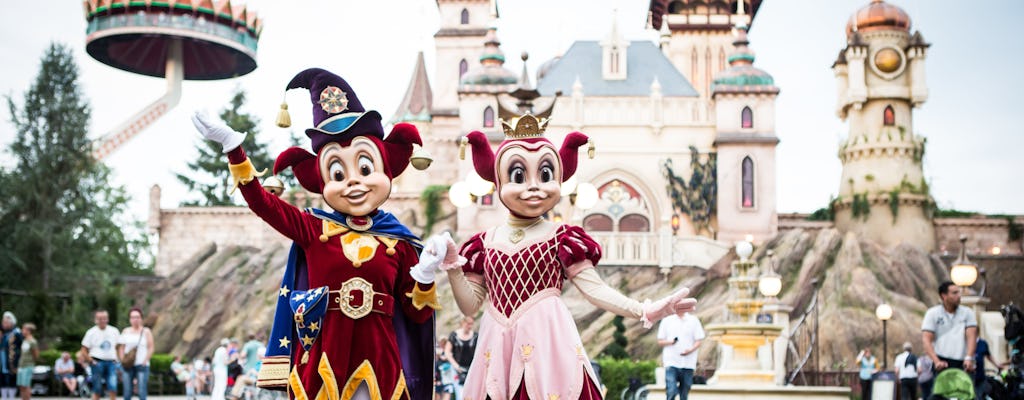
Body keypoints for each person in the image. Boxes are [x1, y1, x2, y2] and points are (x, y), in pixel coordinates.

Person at [193, 67, 444, 400]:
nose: (354, 181)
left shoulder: (399, 243)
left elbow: (417, 314)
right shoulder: (313, 229)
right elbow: (263, 204)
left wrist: (425, 274)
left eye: (365, 168)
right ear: (322, 181)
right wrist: (234, 148)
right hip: (324, 362)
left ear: (387, 170)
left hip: (379, 368)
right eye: (338, 172)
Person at [447, 113, 698, 399]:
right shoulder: (483, 243)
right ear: (498, 180)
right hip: (496, 347)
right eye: (519, 175)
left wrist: (644, 310)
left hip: (548, 347)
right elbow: (470, 306)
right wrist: (453, 268)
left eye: (545, 175)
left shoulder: (561, 238)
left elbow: (595, 290)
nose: (534, 186)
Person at [922, 281, 978, 372]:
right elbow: (926, 339)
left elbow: (971, 336)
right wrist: (936, 361)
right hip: (942, 361)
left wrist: (969, 357)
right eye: (954, 293)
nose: (959, 296)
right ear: (944, 296)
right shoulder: (932, 313)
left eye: (959, 292)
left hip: (963, 362)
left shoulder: (967, 313)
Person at [657, 311, 705, 400]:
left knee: (685, 390)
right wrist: (671, 341)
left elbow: (699, 340)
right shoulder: (667, 320)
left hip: (688, 362)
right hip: (671, 361)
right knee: (671, 390)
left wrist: (690, 350)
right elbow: (660, 341)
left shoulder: (693, 320)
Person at [81, 310, 119, 400]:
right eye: (100, 318)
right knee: (97, 388)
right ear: (96, 320)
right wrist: (90, 360)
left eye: (104, 318)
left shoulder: (114, 331)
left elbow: (119, 347)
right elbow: (83, 349)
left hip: (111, 362)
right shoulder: (91, 332)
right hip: (97, 363)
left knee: (113, 386)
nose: (102, 320)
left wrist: (118, 359)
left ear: (108, 319)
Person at [118, 308, 154, 400]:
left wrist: (145, 360)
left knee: (142, 391)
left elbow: (151, 347)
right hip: (128, 365)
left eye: (137, 317)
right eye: (133, 317)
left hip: (142, 365)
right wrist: (122, 360)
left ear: (141, 318)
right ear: (130, 319)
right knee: (127, 392)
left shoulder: (146, 331)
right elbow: (121, 347)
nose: (135, 319)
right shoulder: (126, 331)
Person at [445, 316, 478, 399]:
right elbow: (447, 352)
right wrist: (455, 365)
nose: (470, 326)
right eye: (468, 323)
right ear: (463, 323)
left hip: (472, 370)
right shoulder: (454, 335)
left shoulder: (475, 336)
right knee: (460, 395)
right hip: (458, 370)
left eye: (471, 324)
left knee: (473, 395)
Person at [1, 312, 23, 400]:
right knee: (2, 379)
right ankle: (4, 397)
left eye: (5, 322)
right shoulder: (4, 333)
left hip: (12, 360)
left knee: (11, 379)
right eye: (3, 322)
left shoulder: (16, 333)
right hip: (2, 359)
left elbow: (20, 347)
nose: (3, 324)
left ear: (11, 323)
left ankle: (11, 397)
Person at [15, 324, 37, 400]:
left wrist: (31, 363)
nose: (22, 331)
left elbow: (35, 354)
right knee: (21, 386)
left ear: (29, 331)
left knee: (26, 385)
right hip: (21, 365)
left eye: (23, 329)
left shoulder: (33, 341)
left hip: (28, 365)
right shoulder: (25, 340)